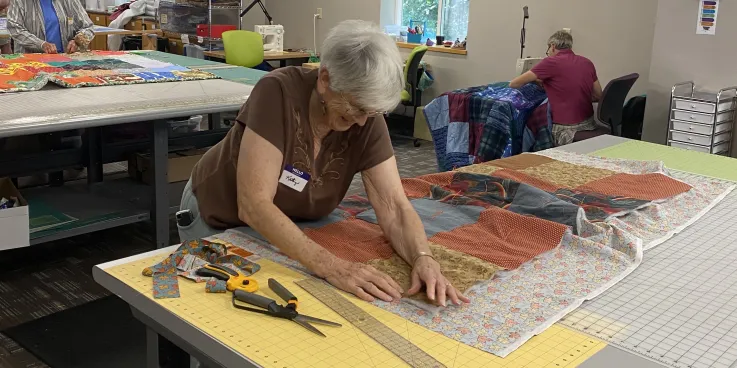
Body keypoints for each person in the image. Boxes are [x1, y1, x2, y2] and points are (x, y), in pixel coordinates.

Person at [179, 20, 469, 307]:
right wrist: (331, 266)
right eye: (355, 107)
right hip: (219, 217)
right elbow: (254, 205)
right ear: (325, 79)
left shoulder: (365, 116)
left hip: (294, 222)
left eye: (369, 112)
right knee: (229, 312)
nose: (360, 120)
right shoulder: (277, 93)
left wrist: (423, 258)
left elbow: (393, 205)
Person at [510, 30, 603, 146]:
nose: (548, 53)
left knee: (530, 124)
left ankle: (523, 157)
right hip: (589, 124)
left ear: (552, 46)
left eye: (548, 50)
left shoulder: (550, 62)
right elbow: (598, 95)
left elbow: (514, 83)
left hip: (564, 130)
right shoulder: (587, 62)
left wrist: (535, 79)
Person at [7, 0, 94, 54]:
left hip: (66, 60)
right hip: (31, 62)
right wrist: (41, 44)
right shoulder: (20, 2)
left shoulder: (69, 1)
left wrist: (77, 41)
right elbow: (15, 28)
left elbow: (88, 27)